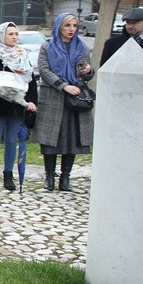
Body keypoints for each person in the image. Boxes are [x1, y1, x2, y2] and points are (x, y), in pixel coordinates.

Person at [34, 12, 94, 192]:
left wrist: (88, 72)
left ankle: (65, 177)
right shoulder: (47, 47)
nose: (71, 29)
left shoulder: (81, 47)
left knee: (73, 139)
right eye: (68, 25)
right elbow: (44, 71)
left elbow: (87, 73)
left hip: (75, 99)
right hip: (53, 96)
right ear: (60, 26)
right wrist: (63, 85)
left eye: (74, 26)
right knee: (51, 139)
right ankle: (49, 176)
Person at [0, 22, 38, 191]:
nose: (14, 37)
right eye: (10, 34)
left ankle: (8, 175)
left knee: (12, 141)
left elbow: (30, 81)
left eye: (16, 34)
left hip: (16, 106)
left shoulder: (22, 55)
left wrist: (32, 102)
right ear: (1, 35)